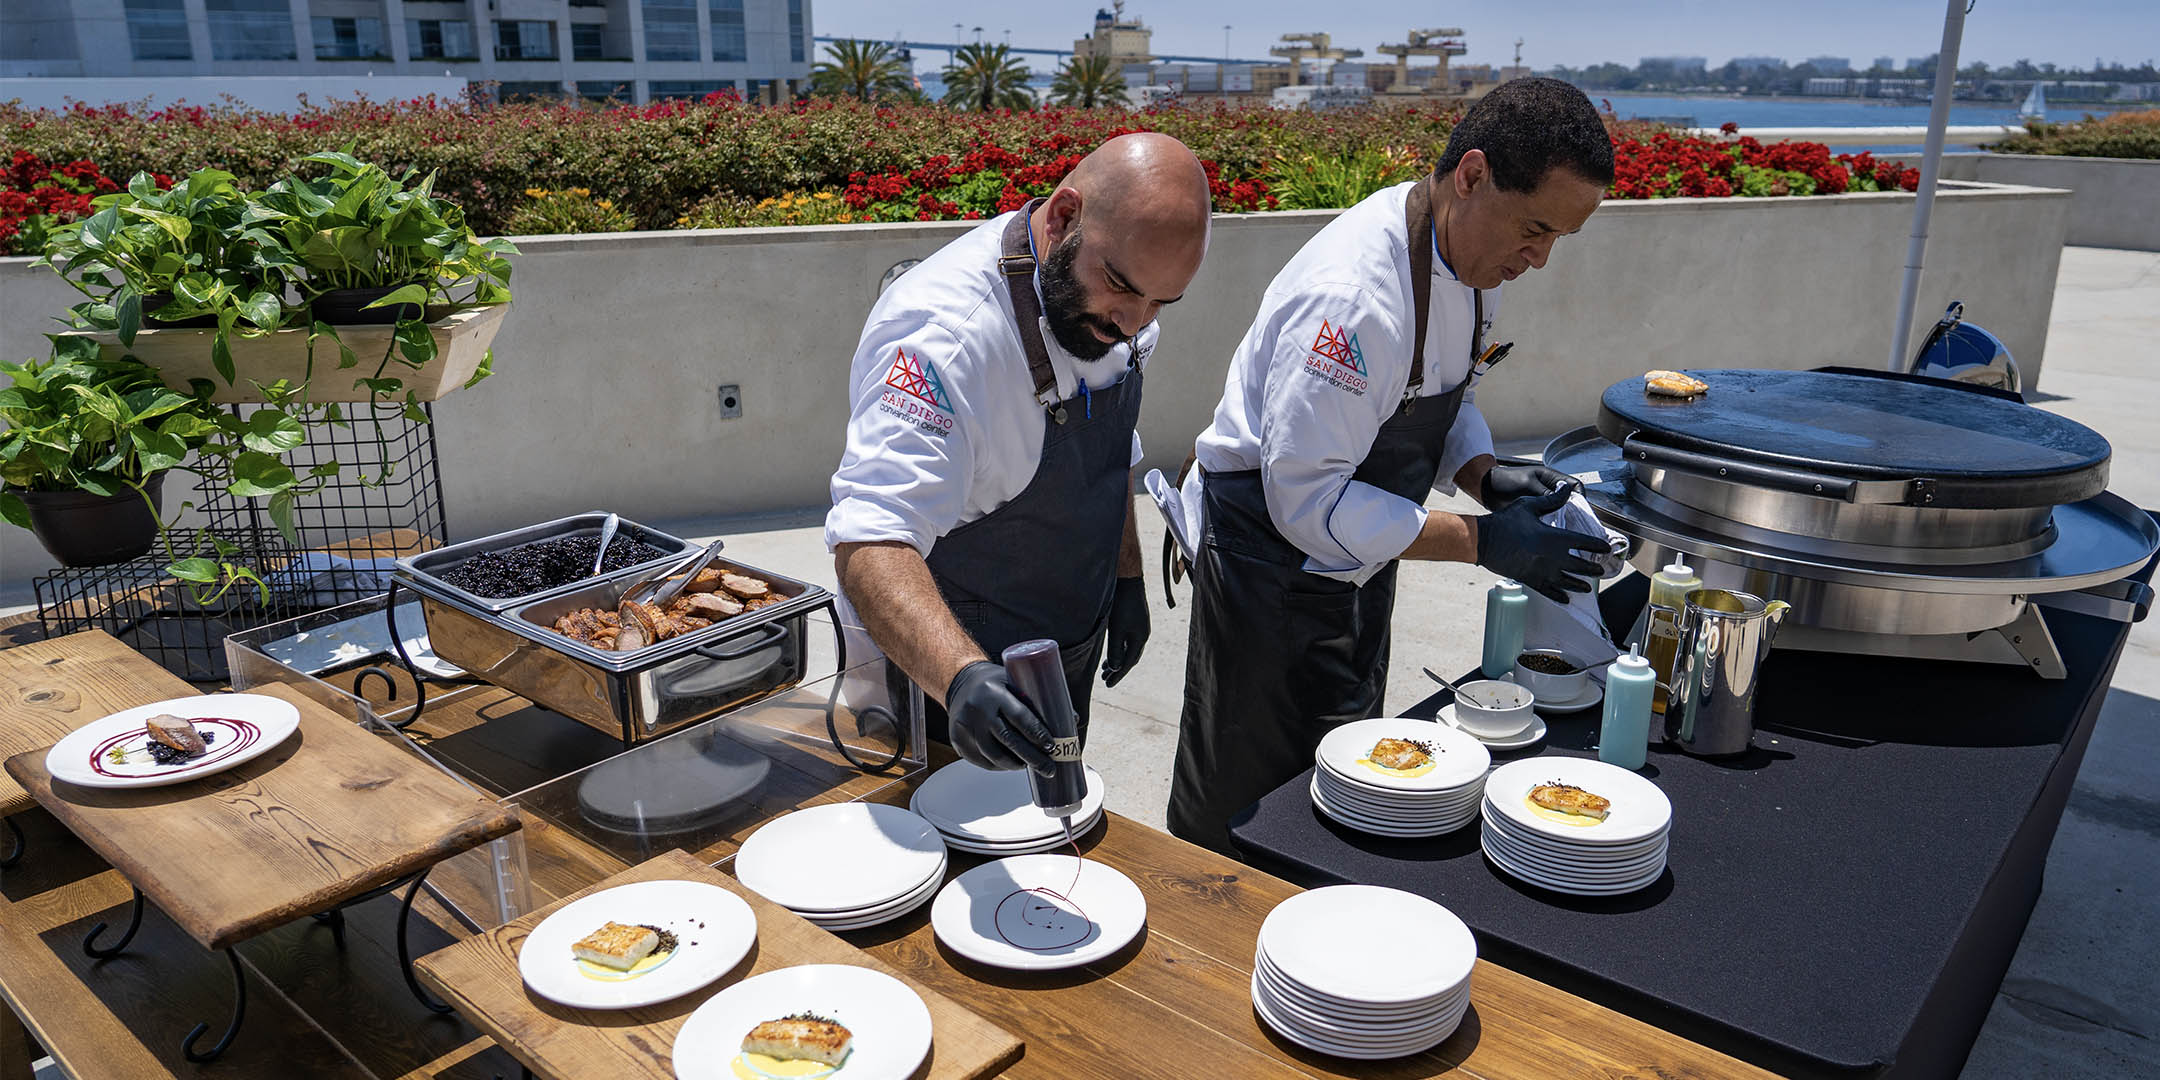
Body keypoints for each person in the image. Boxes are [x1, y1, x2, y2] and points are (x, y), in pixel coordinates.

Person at [1163, 78, 1616, 853]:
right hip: (1266, 574)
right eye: (1534, 229)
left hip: (1362, 563)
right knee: (1244, 816)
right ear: (1470, 176)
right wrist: (1483, 543)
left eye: (1556, 241)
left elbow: (1441, 389)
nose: (1537, 260)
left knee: (1348, 787)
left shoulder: (1471, 265)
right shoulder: (1354, 300)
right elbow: (1306, 503)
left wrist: (1483, 472)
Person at [827, 133, 1213, 776]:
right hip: (950, 683)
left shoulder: (1121, 300)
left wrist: (1125, 578)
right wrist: (961, 680)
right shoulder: (944, 340)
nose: (1134, 322)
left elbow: (1114, 451)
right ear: (1064, 218)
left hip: (1068, 646)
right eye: (1120, 287)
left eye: (1159, 303)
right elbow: (871, 541)